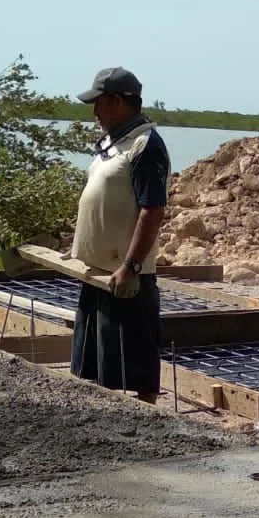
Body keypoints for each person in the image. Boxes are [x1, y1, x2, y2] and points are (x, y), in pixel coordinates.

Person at [68, 66, 170, 401]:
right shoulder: (115, 143)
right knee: (96, 364)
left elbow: (152, 211)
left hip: (125, 274)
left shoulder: (145, 145)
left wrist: (131, 266)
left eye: (98, 103)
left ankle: (148, 421)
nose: (94, 112)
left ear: (117, 101)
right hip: (97, 271)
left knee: (135, 361)